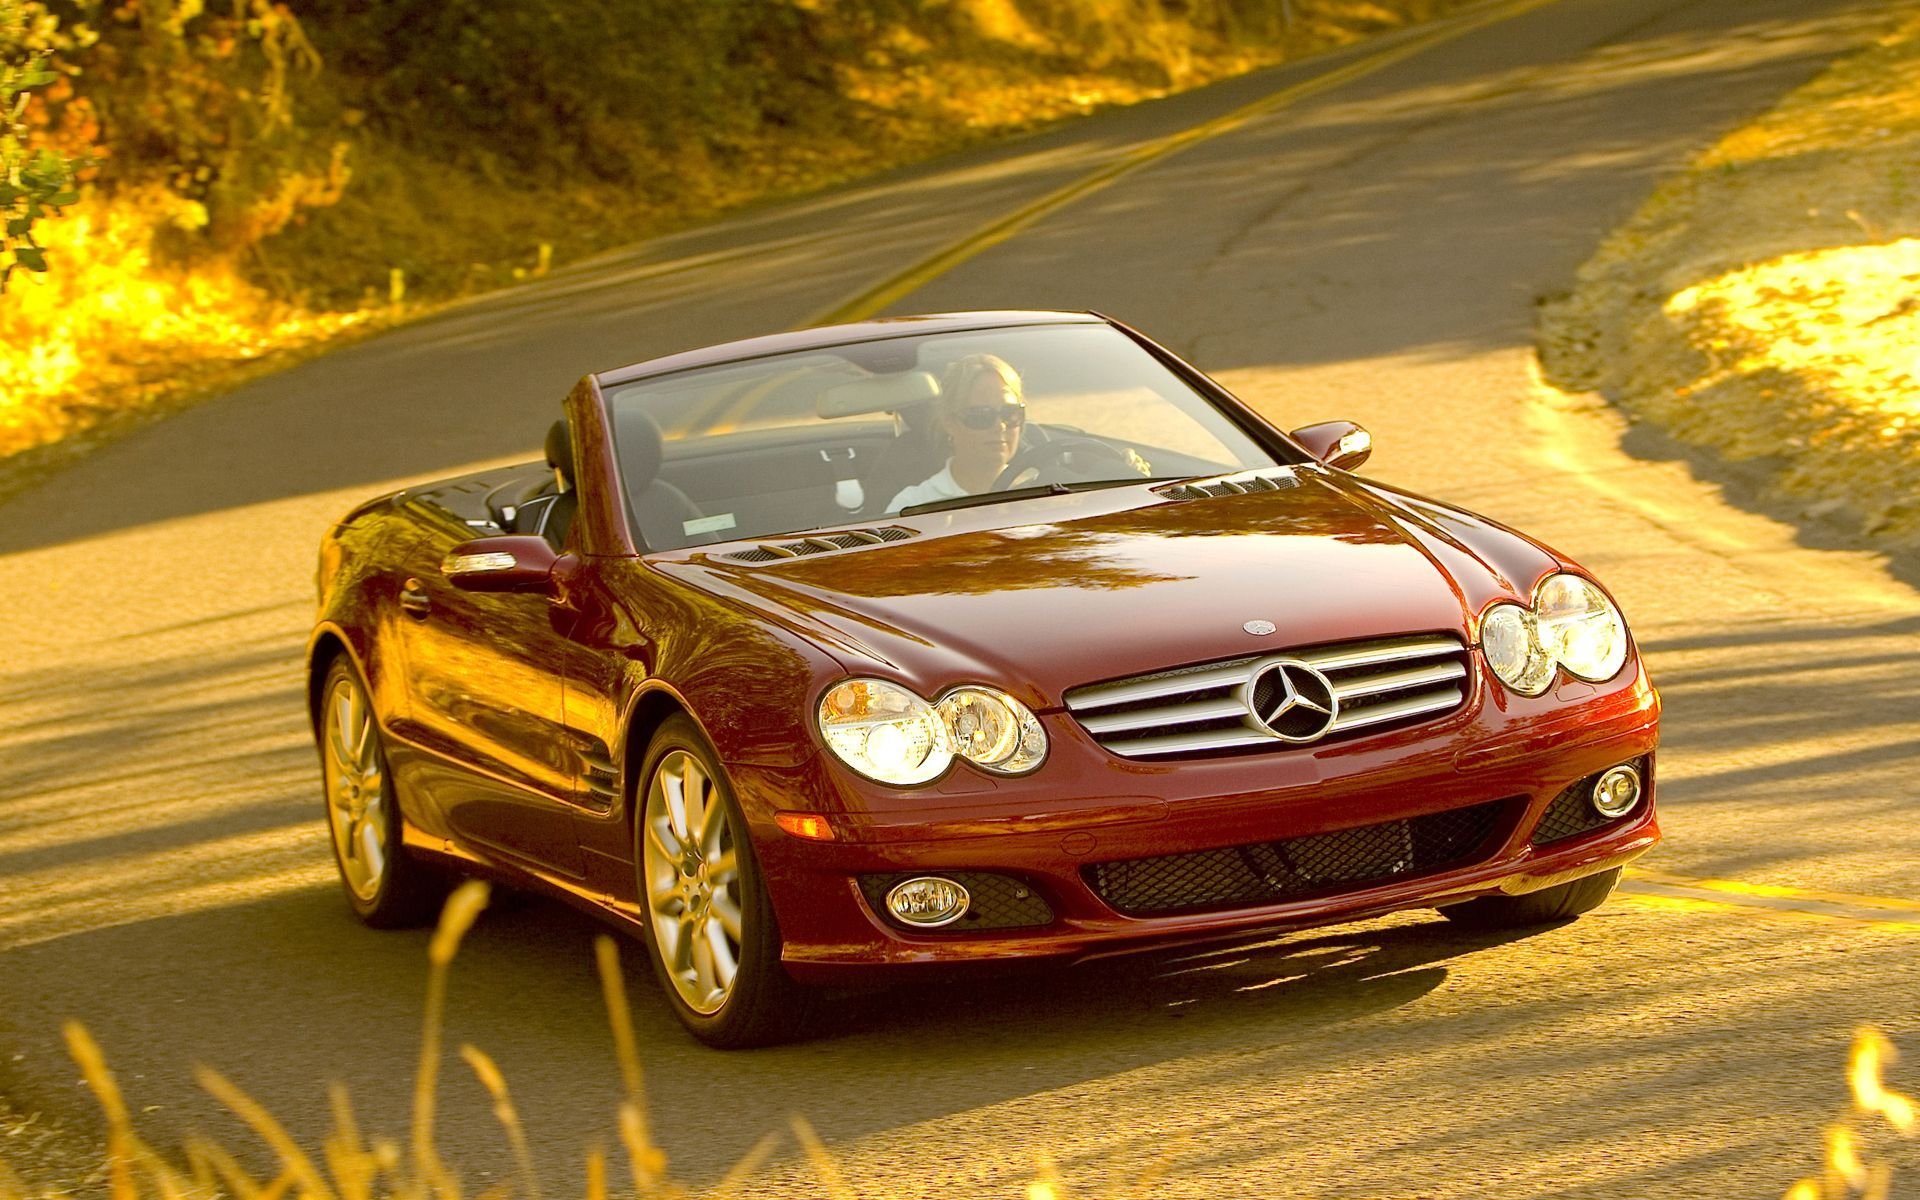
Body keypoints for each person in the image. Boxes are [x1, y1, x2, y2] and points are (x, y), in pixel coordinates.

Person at [888, 353, 1027, 511]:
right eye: (981, 415)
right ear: (949, 423)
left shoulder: (1045, 496)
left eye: (1010, 413)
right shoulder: (912, 506)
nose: (1000, 426)